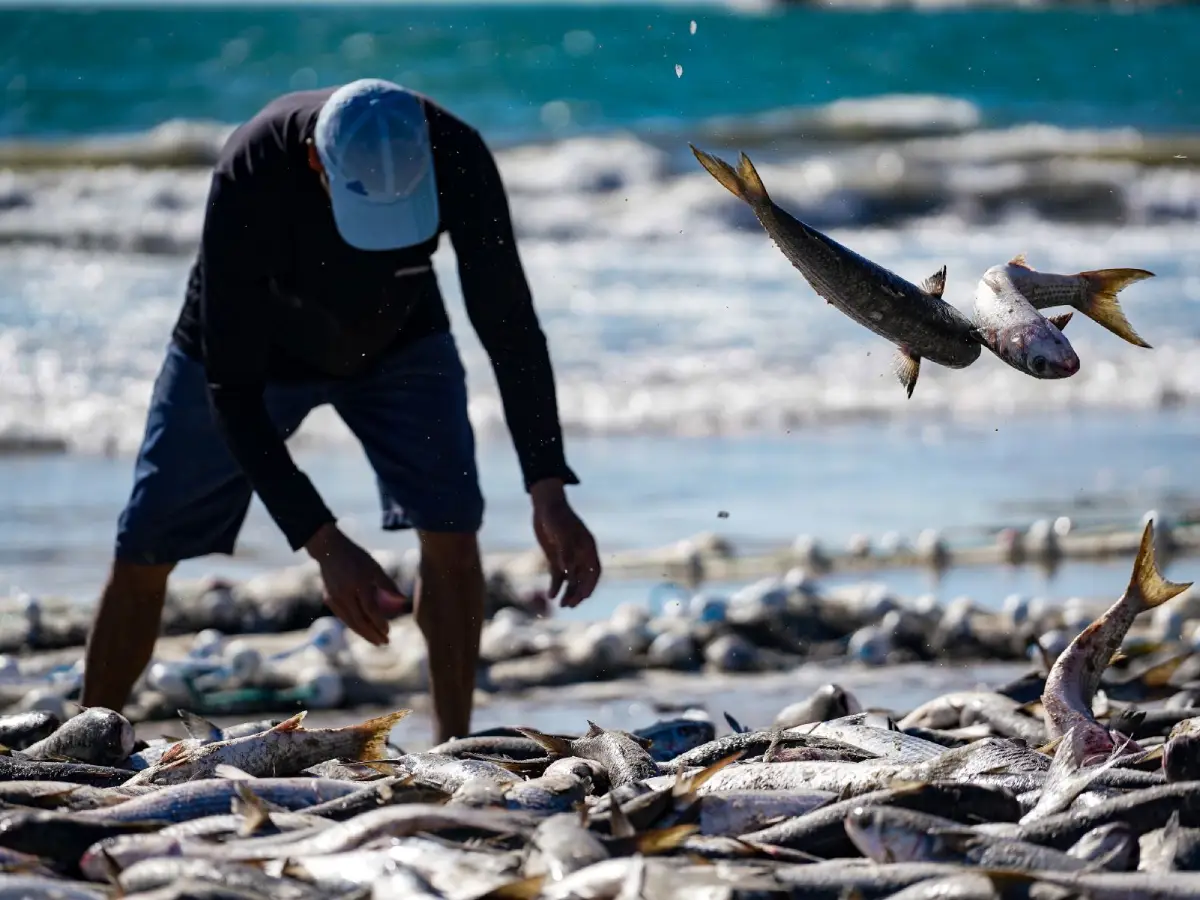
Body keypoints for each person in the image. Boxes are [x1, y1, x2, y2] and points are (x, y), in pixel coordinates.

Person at [80, 78, 602, 743]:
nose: (375, 244)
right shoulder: (252, 168)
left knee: (452, 528)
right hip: (253, 353)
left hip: (400, 339)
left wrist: (548, 486)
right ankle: (86, 748)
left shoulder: (458, 155)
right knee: (146, 543)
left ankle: (452, 748)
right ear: (315, 164)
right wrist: (324, 544)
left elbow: (510, 328)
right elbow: (231, 396)